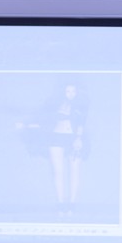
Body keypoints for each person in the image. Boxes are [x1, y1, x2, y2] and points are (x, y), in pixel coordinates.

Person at [47, 83, 88, 215]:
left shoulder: (81, 106)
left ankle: (71, 204)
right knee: (58, 172)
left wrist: (79, 138)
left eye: (73, 91)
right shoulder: (55, 104)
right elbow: (45, 119)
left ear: (77, 92)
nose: (70, 94)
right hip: (56, 136)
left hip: (73, 137)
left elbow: (81, 123)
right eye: (67, 91)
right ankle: (60, 204)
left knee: (74, 171)